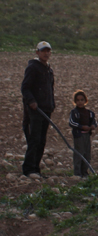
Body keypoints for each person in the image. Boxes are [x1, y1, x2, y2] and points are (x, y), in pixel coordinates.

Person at [21, 41, 55, 178]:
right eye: (43, 51)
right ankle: (28, 169)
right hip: (35, 111)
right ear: (37, 52)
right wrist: (32, 101)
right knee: (34, 139)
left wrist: (52, 105)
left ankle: (36, 168)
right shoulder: (33, 68)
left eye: (48, 51)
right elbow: (25, 88)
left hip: (46, 109)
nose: (46, 53)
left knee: (41, 140)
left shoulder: (49, 70)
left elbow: (50, 90)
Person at [68, 90, 98, 178]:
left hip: (87, 135)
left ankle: (85, 172)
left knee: (87, 154)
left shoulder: (89, 113)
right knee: (79, 154)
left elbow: (95, 122)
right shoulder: (74, 112)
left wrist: (92, 126)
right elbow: (71, 123)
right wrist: (81, 127)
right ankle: (77, 173)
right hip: (79, 135)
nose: (80, 102)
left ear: (85, 100)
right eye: (78, 100)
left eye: (82, 100)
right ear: (75, 102)